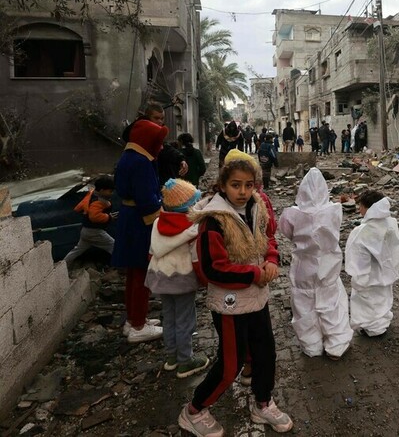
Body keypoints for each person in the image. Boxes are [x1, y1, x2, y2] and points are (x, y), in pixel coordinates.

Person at [178, 153, 292, 436]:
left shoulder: (257, 207)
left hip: (258, 298)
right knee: (231, 364)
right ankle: (194, 410)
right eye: (235, 185)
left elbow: (267, 239)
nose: (243, 191)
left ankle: (262, 403)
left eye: (248, 185)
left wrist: (271, 260)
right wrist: (254, 274)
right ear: (222, 185)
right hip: (229, 304)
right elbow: (212, 269)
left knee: (265, 353)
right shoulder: (213, 221)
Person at [278, 168, 352, 360]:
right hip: (328, 265)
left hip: (304, 266)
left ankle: (312, 346)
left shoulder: (291, 214)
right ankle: (336, 345)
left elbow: (286, 232)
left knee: (304, 306)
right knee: (331, 303)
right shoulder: (334, 209)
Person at [145, 179, 209, 379]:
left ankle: (171, 357)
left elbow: (150, 253)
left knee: (169, 316)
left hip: (160, 276)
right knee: (185, 320)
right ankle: (185, 361)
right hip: (182, 279)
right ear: (189, 205)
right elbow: (197, 259)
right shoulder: (193, 227)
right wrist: (204, 281)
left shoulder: (157, 222)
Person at [112, 119, 166, 343]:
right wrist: (162, 208)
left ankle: (133, 319)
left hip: (130, 218)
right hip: (141, 222)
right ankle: (138, 326)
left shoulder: (128, 157)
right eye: (157, 142)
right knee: (143, 274)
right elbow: (147, 200)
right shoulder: (141, 162)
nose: (160, 147)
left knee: (134, 274)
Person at [344, 190, 399, 337]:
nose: (359, 209)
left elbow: (358, 257)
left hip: (369, 275)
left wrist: (359, 279)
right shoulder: (391, 223)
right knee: (382, 298)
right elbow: (395, 247)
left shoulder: (362, 231)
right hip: (386, 271)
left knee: (367, 302)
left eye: (361, 206)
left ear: (369, 208)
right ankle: (381, 324)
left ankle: (371, 328)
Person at [122, 102, 189, 185]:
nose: (160, 121)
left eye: (162, 118)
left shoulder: (155, 133)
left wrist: (181, 159)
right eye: (156, 118)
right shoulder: (141, 135)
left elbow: (166, 148)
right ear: (147, 117)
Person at [63, 175, 117, 267]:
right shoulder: (98, 201)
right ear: (102, 190)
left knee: (76, 250)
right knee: (114, 246)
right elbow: (94, 217)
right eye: (110, 191)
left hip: (85, 231)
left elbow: (78, 208)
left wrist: (86, 211)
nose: (112, 193)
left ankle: (63, 265)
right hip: (95, 232)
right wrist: (108, 217)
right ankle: (121, 266)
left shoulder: (91, 194)